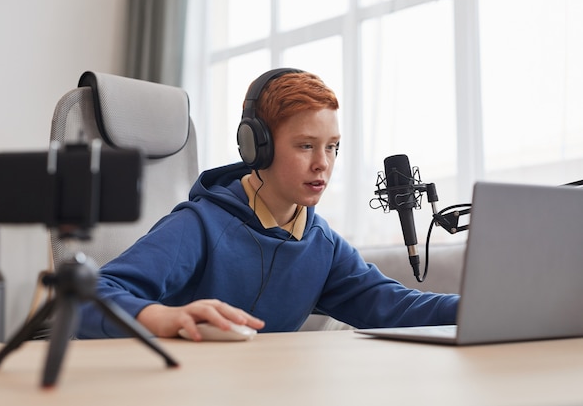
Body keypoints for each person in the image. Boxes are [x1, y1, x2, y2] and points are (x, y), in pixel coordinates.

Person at [76, 68, 459, 341]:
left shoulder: (320, 243)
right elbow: (84, 298)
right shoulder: (200, 226)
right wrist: (161, 317)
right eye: (305, 145)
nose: (322, 163)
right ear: (256, 147)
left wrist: (481, 307)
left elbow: (396, 307)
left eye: (332, 147)